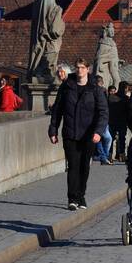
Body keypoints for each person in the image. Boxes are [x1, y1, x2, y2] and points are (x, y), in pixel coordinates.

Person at [48, 59, 108, 210]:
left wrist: (98, 131)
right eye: (77, 68)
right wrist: (53, 130)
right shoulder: (67, 86)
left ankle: (81, 195)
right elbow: (57, 110)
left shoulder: (95, 88)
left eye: (82, 68)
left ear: (88, 69)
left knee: (84, 166)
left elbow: (103, 112)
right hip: (70, 132)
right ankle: (72, 198)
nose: (79, 70)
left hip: (89, 134)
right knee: (73, 165)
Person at [109, 83, 132, 161]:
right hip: (122, 121)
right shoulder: (126, 98)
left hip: (112, 120)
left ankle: (110, 155)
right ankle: (122, 155)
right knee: (122, 139)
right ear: (125, 88)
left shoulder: (111, 97)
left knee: (111, 139)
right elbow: (129, 110)